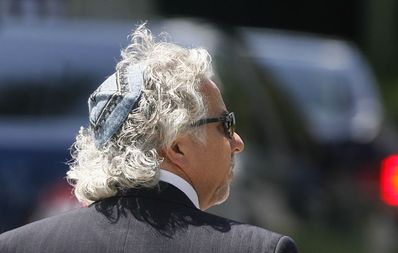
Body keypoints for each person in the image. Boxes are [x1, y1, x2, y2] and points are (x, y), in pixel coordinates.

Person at [0, 23, 299, 253]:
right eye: (225, 123)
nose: (237, 142)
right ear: (177, 146)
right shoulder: (256, 249)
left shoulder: (17, 246)